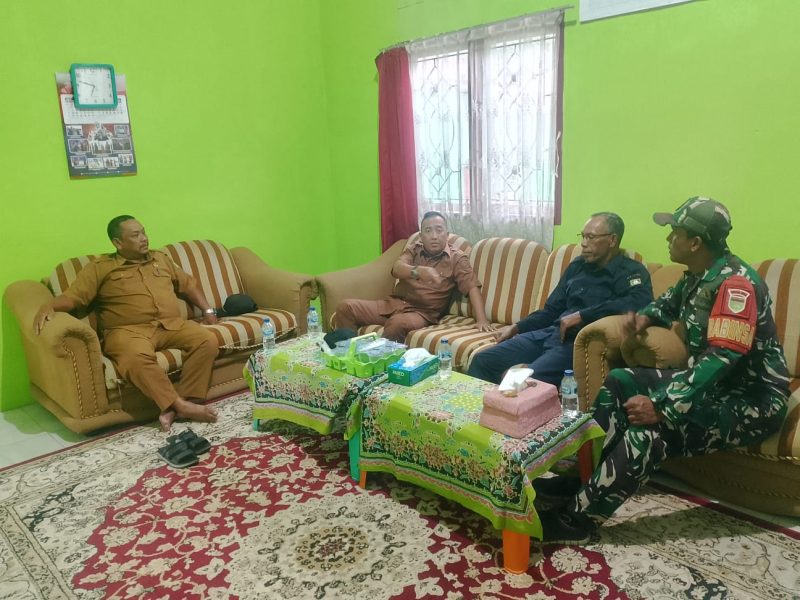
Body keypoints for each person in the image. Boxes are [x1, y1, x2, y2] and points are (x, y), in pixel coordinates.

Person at [537, 197, 790, 544]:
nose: (669, 238)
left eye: (675, 232)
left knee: (649, 431)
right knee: (619, 380)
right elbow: (665, 305)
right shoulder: (699, 275)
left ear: (695, 242)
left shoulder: (735, 286)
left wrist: (661, 404)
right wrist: (644, 318)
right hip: (715, 387)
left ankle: (578, 520)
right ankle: (579, 478)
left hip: (751, 400)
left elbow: (720, 360)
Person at [33, 215, 221, 432]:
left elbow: (188, 284)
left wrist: (208, 310)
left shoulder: (161, 259)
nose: (144, 238)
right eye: (135, 235)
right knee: (135, 358)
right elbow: (75, 297)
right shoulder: (100, 267)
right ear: (118, 243)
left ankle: (185, 402)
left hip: (170, 325)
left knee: (206, 340)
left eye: (144, 232)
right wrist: (49, 305)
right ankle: (179, 405)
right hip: (127, 332)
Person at [467, 212, 652, 387]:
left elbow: (640, 301)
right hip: (549, 333)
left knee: (524, 381)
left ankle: (521, 387)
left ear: (612, 240)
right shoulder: (578, 266)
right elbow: (551, 310)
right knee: (483, 360)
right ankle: (471, 410)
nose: (583, 244)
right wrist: (517, 327)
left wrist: (582, 315)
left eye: (591, 237)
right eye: (583, 236)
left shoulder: (631, 271)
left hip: (577, 343)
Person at [335, 211, 494, 342]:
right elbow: (397, 268)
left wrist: (481, 319)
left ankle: (382, 366)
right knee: (345, 307)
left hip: (422, 313)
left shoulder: (457, 258)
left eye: (439, 230)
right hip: (393, 304)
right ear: (421, 236)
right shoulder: (414, 249)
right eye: (428, 231)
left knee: (397, 323)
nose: (434, 236)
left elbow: (472, 287)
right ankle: (349, 357)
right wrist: (418, 271)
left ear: (447, 234)